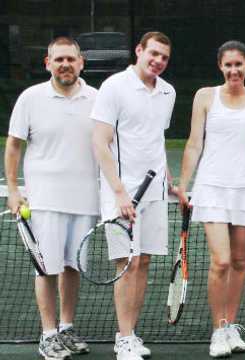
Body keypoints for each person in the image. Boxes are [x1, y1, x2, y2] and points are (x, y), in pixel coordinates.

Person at [5, 36, 98, 360]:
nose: (65, 65)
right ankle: (48, 335)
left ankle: (66, 328)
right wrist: (14, 190)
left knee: (73, 267)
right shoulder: (30, 98)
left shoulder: (97, 100)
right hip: (43, 202)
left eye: (70, 59)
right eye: (58, 59)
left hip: (86, 201)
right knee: (46, 269)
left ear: (81, 62)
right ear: (48, 63)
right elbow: (14, 145)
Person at [177, 40, 245, 358]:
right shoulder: (205, 96)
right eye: (228, 65)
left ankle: (230, 324)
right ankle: (218, 330)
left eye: (238, 64)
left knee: (241, 262)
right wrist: (184, 185)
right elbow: (193, 143)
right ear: (220, 66)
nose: (234, 70)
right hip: (212, 187)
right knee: (222, 261)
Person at [91, 31, 178, 360]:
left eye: (164, 58)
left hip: (154, 192)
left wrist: (170, 181)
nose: (158, 61)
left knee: (143, 262)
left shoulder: (167, 91)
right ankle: (124, 336)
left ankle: (130, 333)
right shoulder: (114, 86)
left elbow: (155, 139)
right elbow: (100, 143)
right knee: (127, 264)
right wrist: (119, 192)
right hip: (122, 194)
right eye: (153, 53)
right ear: (139, 51)